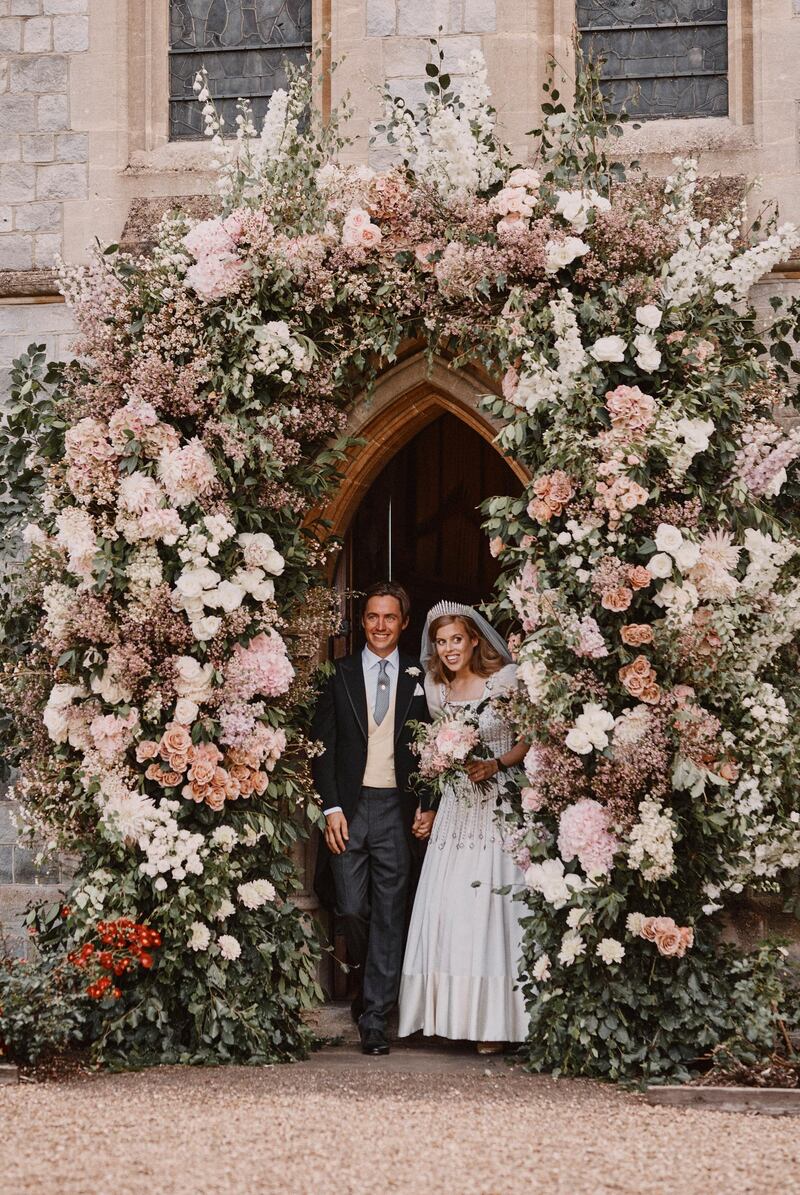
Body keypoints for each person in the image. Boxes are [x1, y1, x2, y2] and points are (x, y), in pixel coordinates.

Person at [398, 601, 529, 1052]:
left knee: (493, 909)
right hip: (456, 809)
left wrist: (496, 762)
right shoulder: (437, 690)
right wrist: (429, 804)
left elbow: (527, 738)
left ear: (475, 639)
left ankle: (496, 1023)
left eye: (457, 639)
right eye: (441, 642)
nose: (449, 649)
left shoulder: (505, 681)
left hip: (498, 804)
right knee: (451, 906)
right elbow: (436, 759)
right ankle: (452, 1015)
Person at [311, 581, 433, 1056]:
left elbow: (431, 751)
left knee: (389, 913)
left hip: (396, 811)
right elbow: (321, 748)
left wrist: (426, 803)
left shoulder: (420, 678)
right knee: (351, 908)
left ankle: (376, 1017)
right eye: (372, 617)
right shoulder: (337, 675)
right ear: (362, 622)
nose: (380, 626)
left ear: (404, 623)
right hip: (350, 807)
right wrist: (331, 807)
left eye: (389, 617)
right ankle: (367, 986)